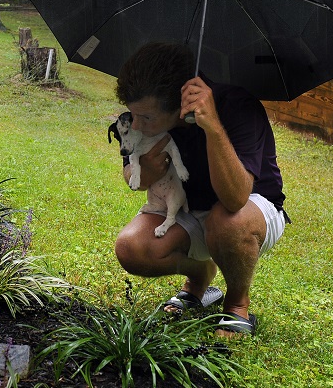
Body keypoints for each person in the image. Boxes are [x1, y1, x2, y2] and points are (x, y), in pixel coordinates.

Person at [113, 42, 288, 336]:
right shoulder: (139, 120)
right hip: (189, 209)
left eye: (147, 118)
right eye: (134, 115)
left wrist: (213, 127)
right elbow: (133, 176)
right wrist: (146, 172)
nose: (138, 126)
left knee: (226, 220)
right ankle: (200, 277)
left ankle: (236, 305)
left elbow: (235, 198)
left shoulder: (238, 105)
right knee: (131, 248)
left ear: (179, 107)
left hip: (251, 208)